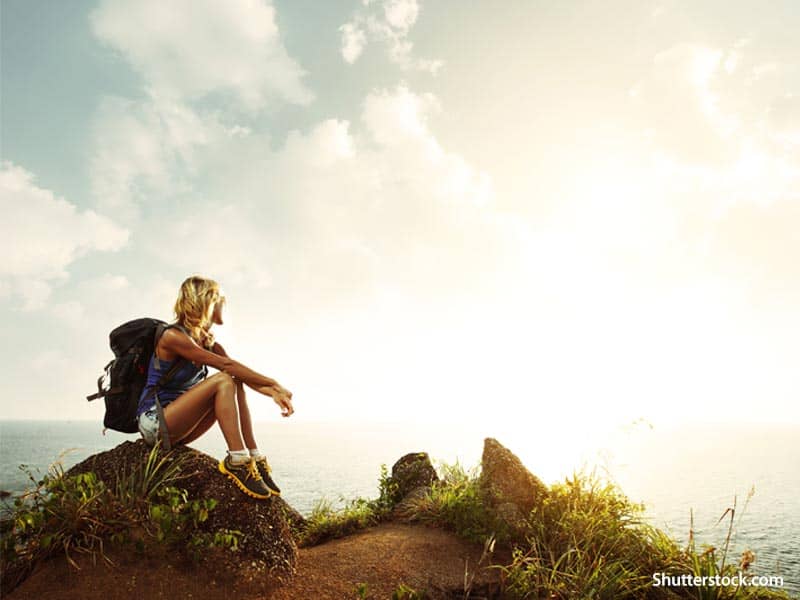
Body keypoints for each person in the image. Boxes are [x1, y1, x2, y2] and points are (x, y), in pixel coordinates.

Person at [136, 275, 294, 500]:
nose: (223, 304)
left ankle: (253, 456)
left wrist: (274, 394)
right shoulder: (173, 336)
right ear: (205, 301)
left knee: (233, 378)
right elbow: (225, 365)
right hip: (155, 421)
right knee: (224, 378)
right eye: (220, 299)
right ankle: (238, 460)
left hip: (178, 424)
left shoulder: (209, 343)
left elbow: (240, 375)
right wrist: (274, 382)